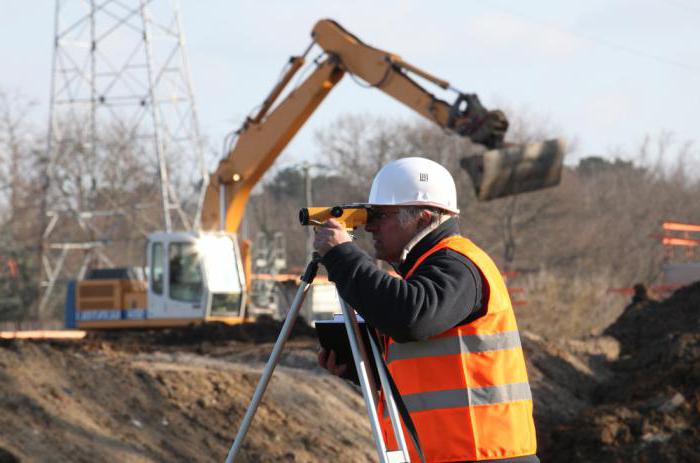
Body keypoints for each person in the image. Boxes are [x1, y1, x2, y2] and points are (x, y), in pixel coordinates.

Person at [314, 157, 538, 463]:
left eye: (381, 215)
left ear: (423, 217)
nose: (370, 226)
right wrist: (360, 367)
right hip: (440, 454)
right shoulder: (421, 273)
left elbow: (411, 318)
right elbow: (426, 366)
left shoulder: (458, 264)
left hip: (483, 454)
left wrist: (343, 255)